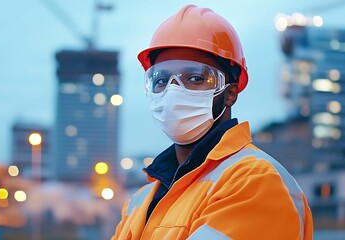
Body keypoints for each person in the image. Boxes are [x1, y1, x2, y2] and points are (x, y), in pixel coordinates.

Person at [113, 4, 313, 240]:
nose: (172, 91)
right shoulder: (140, 201)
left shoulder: (255, 181)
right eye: (161, 80)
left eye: (196, 78)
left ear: (230, 92)